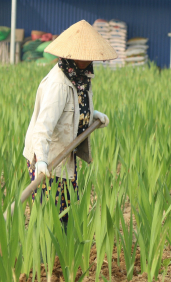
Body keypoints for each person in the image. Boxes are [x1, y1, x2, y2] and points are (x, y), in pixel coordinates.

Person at [22, 20, 117, 232]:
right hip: (47, 157)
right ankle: (43, 257)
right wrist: (42, 162)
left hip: (65, 155)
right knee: (49, 215)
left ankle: (63, 254)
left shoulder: (81, 77)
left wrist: (93, 116)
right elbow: (42, 128)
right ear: (73, 54)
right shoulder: (59, 84)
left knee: (66, 208)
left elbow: (74, 110)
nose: (89, 57)